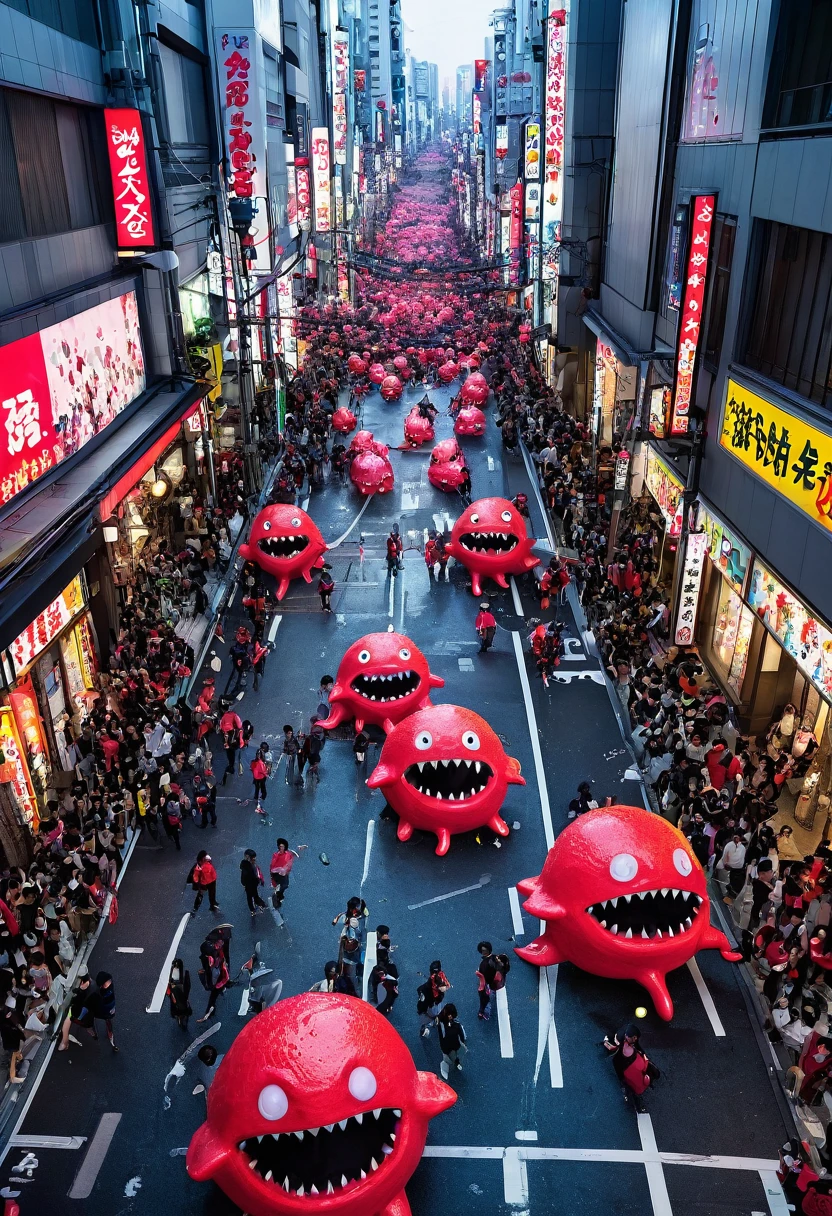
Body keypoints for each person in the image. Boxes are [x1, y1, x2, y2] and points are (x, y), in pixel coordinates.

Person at [607, 1024, 659, 1112]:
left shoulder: (633, 1040)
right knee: (629, 1083)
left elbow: (637, 1045)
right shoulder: (620, 1038)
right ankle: (631, 1095)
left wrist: (643, 1053)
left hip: (632, 1060)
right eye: (631, 1037)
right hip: (622, 1062)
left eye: (635, 1038)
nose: (634, 1039)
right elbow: (613, 1052)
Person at [58, 970, 96, 1051]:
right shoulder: (92, 986)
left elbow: (77, 1002)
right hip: (86, 1011)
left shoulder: (85, 992)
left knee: (66, 1026)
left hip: (80, 1011)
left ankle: (64, 1043)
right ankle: (91, 1030)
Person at [269, 838, 308, 910]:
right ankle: (278, 895)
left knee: (285, 885)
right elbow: (272, 867)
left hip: (285, 874)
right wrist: (277, 871)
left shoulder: (288, 854)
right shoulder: (276, 856)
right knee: (278, 885)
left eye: (282, 846)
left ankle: (279, 894)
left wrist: (299, 850)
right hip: (278, 874)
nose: (281, 848)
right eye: (280, 846)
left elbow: (295, 856)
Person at [417, 960, 451, 1038]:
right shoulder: (433, 982)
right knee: (430, 1014)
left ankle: (433, 1021)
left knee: (435, 1012)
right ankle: (426, 1025)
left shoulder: (438, 977)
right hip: (432, 1002)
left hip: (435, 1000)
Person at [437, 1004, 467, 1079]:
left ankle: (456, 1062)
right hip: (447, 1046)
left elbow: (461, 1034)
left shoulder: (455, 1024)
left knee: (455, 1055)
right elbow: (441, 1035)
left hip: (453, 1044)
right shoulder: (442, 1023)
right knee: (448, 1057)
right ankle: (453, 1064)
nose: (450, 1017)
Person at [91, 971, 118, 1051]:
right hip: (102, 1009)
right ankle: (95, 1033)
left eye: (109, 981)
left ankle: (110, 1034)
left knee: (108, 1020)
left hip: (109, 1009)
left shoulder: (108, 988)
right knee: (92, 1018)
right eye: (107, 981)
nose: (109, 982)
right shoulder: (99, 992)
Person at [167, 957, 192, 1030]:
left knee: (178, 1006)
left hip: (178, 992)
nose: (175, 966)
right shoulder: (182, 973)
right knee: (180, 1006)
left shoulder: (181, 974)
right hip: (178, 993)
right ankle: (182, 1018)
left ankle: (181, 1018)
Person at [476, 941, 498, 1020]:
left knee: (486, 999)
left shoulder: (485, 963)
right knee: (488, 997)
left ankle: (485, 1013)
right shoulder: (494, 958)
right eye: (482, 950)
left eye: (484, 950)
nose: (483, 952)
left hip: (487, 984)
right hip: (493, 982)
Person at [240, 849, 266, 914]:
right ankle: (257, 907)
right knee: (252, 896)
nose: (255, 859)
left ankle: (253, 909)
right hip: (251, 885)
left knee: (251, 896)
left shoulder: (246, 864)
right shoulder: (249, 867)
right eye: (253, 858)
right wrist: (258, 880)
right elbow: (254, 875)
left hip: (250, 884)